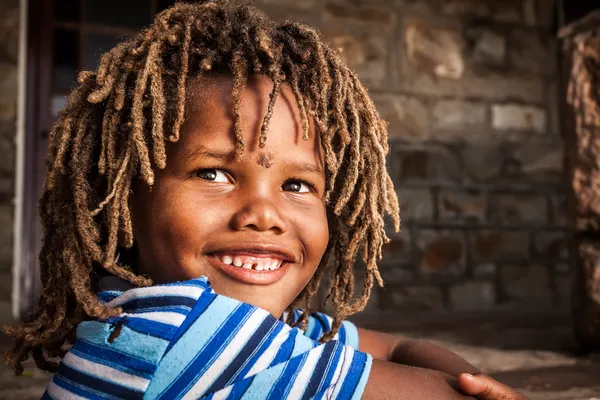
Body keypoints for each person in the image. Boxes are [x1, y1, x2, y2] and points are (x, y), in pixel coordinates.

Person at [3, 1, 527, 399]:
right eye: (213, 173)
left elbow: (391, 348)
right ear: (120, 199)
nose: (264, 214)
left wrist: (470, 377)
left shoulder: (209, 326)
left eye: (298, 185)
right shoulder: (181, 331)